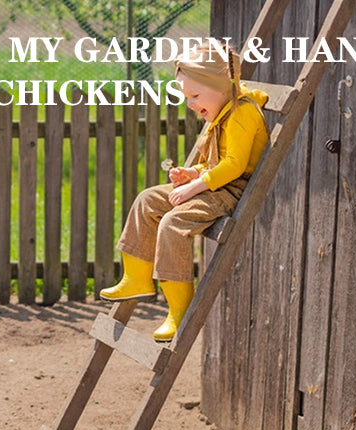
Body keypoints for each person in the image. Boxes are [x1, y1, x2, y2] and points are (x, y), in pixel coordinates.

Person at [99, 40, 269, 342]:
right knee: (147, 200)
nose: (190, 103)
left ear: (221, 85)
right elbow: (216, 161)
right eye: (186, 97)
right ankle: (136, 278)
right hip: (214, 183)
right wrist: (194, 172)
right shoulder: (221, 113)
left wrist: (195, 186)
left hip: (232, 190)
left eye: (195, 95)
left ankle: (179, 310)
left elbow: (233, 165)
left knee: (172, 223)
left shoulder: (243, 113)